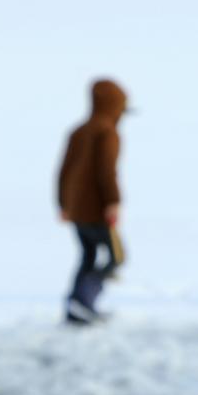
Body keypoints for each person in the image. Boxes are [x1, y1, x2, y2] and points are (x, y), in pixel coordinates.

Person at [57, 78, 127, 325]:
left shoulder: (78, 131)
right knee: (117, 256)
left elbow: (64, 171)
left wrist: (63, 204)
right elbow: (107, 171)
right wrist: (113, 201)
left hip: (76, 209)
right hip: (96, 209)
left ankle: (77, 306)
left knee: (88, 254)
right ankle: (83, 302)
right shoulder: (107, 133)